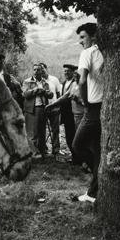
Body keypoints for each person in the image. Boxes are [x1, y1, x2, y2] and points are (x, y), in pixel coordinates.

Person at [73, 22, 103, 203]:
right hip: (105, 108)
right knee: (97, 149)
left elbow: (82, 81)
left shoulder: (87, 53)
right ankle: (93, 192)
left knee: (77, 146)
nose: (80, 41)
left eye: (83, 37)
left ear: (93, 37)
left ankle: (99, 173)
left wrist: (84, 101)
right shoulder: (105, 53)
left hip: (92, 109)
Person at [46, 64, 81, 164]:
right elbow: (62, 97)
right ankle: (74, 156)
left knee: (74, 136)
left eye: (68, 71)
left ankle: (77, 158)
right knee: (68, 136)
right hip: (66, 114)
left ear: (73, 72)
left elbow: (65, 98)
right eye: (65, 71)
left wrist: (52, 105)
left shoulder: (75, 83)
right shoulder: (64, 83)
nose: (66, 73)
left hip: (74, 113)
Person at [22, 63, 54, 158]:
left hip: (43, 108)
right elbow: (25, 94)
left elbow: (50, 95)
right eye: (34, 70)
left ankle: (42, 151)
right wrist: (36, 90)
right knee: (32, 132)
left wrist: (46, 92)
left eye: (38, 70)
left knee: (42, 131)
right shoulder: (27, 82)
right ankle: (34, 152)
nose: (36, 72)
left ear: (41, 71)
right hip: (32, 109)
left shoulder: (45, 82)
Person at [41, 63, 63, 157]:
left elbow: (58, 94)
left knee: (55, 130)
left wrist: (58, 106)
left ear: (46, 69)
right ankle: (44, 149)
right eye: (39, 70)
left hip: (54, 108)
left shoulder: (54, 79)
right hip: (43, 109)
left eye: (42, 69)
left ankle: (56, 149)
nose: (41, 71)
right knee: (42, 129)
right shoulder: (38, 81)